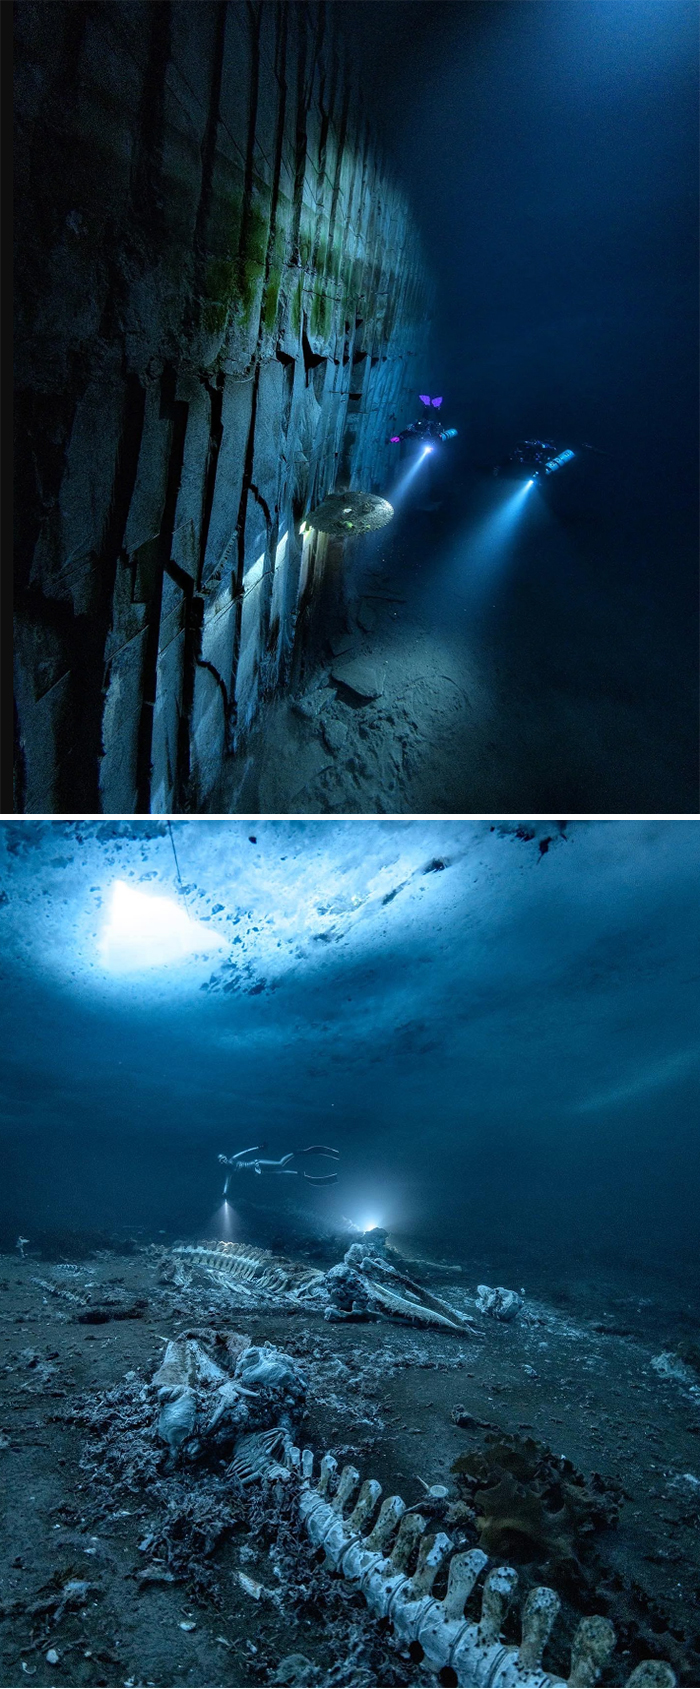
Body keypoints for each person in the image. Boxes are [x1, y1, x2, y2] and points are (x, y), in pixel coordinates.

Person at [218, 1144, 339, 1195]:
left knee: (280, 1164)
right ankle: (300, 1174)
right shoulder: (228, 1172)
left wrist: (258, 1147)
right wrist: (225, 1192)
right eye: (221, 1161)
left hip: (256, 1164)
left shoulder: (233, 1159)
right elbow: (227, 1182)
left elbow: (246, 1151)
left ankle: (295, 1153)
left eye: (223, 1158)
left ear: (226, 1157)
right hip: (257, 1172)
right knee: (280, 1173)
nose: (223, 1161)